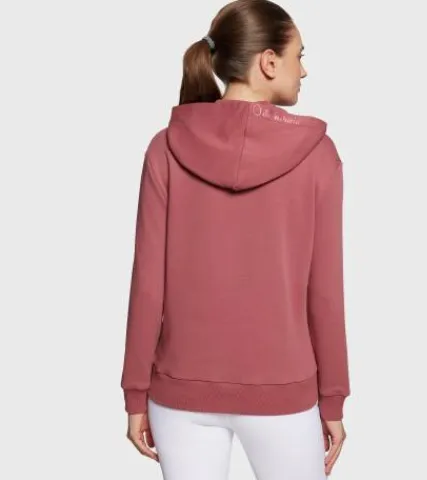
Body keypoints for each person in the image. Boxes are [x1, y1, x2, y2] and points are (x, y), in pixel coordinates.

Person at [120, 0, 351, 478]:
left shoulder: (165, 147)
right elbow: (325, 291)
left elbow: (147, 285)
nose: (304, 70)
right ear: (268, 62)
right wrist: (332, 399)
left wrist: (136, 391)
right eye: (298, 56)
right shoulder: (318, 155)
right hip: (284, 394)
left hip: (179, 394)